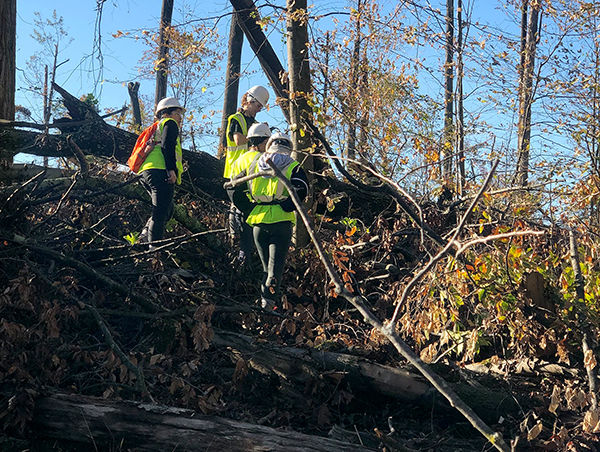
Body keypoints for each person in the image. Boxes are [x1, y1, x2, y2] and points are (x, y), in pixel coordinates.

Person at [228, 132, 308, 309]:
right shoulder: (293, 165)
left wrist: (249, 207)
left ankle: (265, 300)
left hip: (258, 222)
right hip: (281, 222)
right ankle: (269, 305)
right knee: (275, 268)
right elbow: (302, 189)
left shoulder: (255, 164)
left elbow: (234, 187)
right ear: (289, 147)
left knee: (266, 267)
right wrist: (287, 206)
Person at [223, 85, 270, 265]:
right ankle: (236, 241)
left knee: (247, 210)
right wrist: (256, 136)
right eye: (258, 106)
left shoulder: (254, 122)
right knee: (237, 210)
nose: (259, 110)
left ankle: (246, 246)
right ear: (250, 101)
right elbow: (237, 140)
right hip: (236, 171)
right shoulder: (236, 118)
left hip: (251, 172)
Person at [138, 97, 185, 245]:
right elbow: (167, 146)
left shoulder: (157, 127)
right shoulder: (170, 123)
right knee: (159, 213)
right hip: (160, 170)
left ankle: (146, 235)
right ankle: (154, 251)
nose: (180, 118)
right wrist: (171, 169)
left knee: (167, 209)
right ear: (169, 112)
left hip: (146, 172)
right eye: (178, 113)